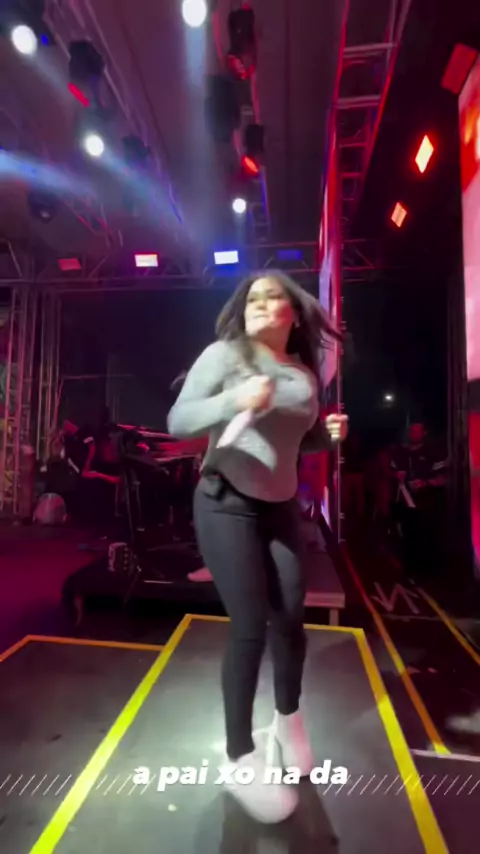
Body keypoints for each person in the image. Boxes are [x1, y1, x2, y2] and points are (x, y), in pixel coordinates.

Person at [167, 271, 348, 823]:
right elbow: (178, 421)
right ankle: (239, 756)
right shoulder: (224, 356)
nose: (261, 304)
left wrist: (327, 437)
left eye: (274, 297)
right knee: (249, 624)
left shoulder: (302, 373)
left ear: (294, 313)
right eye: (253, 298)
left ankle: (287, 722)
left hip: (280, 508)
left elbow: (294, 439)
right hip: (225, 501)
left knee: (291, 616)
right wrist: (234, 398)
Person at [391, 422, 447, 577]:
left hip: (427, 504)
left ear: (424, 433)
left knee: (427, 538)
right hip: (406, 504)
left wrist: (426, 483)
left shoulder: (433, 452)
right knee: (408, 538)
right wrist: (397, 475)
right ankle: (410, 571)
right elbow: (390, 471)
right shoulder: (401, 452)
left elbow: (444, 478)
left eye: (417, 431)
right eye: (412, 431)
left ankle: (428, 572)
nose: (414, 434)